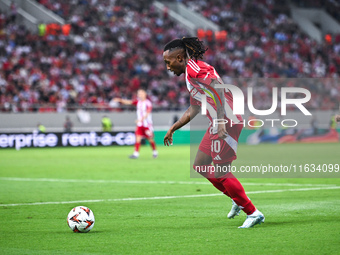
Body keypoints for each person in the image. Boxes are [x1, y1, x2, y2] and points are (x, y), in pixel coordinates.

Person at [162, 37, 264, 228]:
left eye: (168, 62)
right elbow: (194, 107)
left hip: (226, 120)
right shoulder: (189, 73)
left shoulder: (195, 69)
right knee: (200, 165)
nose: (167, 67)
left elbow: (217, 88)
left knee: (221, 171)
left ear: (179, 57)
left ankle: (253, 213)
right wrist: (173, 127)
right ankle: (237, 198)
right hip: (219, 121)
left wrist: (219, 120)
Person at [114, 89, 158, 159]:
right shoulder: (138, 102)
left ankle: (155, 152)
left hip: (147, 125)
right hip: (139, 124)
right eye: (138, 94)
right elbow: (129, 102)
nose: (139, 95)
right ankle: (136, 154)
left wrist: (141, 119)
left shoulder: (148, 103)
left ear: (144, 94)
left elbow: (147, 113)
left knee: (150, 139)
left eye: (140, 93)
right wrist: (120, 100)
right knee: (138, 139)